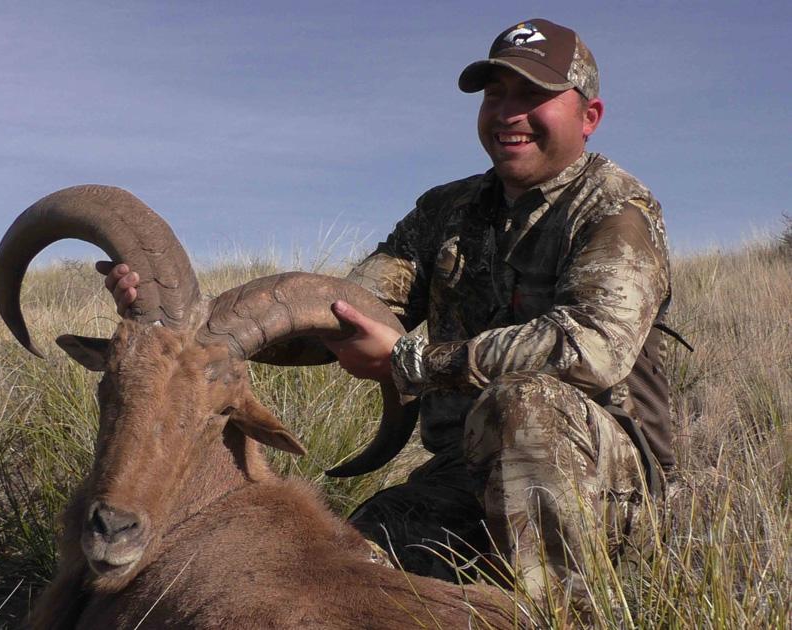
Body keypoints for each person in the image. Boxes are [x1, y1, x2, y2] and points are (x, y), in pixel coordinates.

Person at [100, 18, 675, 618]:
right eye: (496, 94)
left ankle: (567, 613)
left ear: (589, 116)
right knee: (348, 570)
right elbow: (336, 314)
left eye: (533, 95)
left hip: (605, 489)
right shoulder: (446, 210)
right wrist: (172, 324)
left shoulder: (618, 210)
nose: (509, 113)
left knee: (523, 403)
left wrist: (413, 362)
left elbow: (594, 347)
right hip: (465, 475)